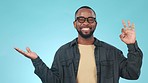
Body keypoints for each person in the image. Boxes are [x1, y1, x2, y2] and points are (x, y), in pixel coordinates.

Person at [14, 6, 143, 83]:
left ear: (95, 24)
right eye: (81, 19)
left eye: (90, 19)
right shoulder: (63, 52)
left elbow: (132, 74)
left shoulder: (112, 52)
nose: (86, 23)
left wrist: (132, 45)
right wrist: (36, 60)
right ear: (75, 24)